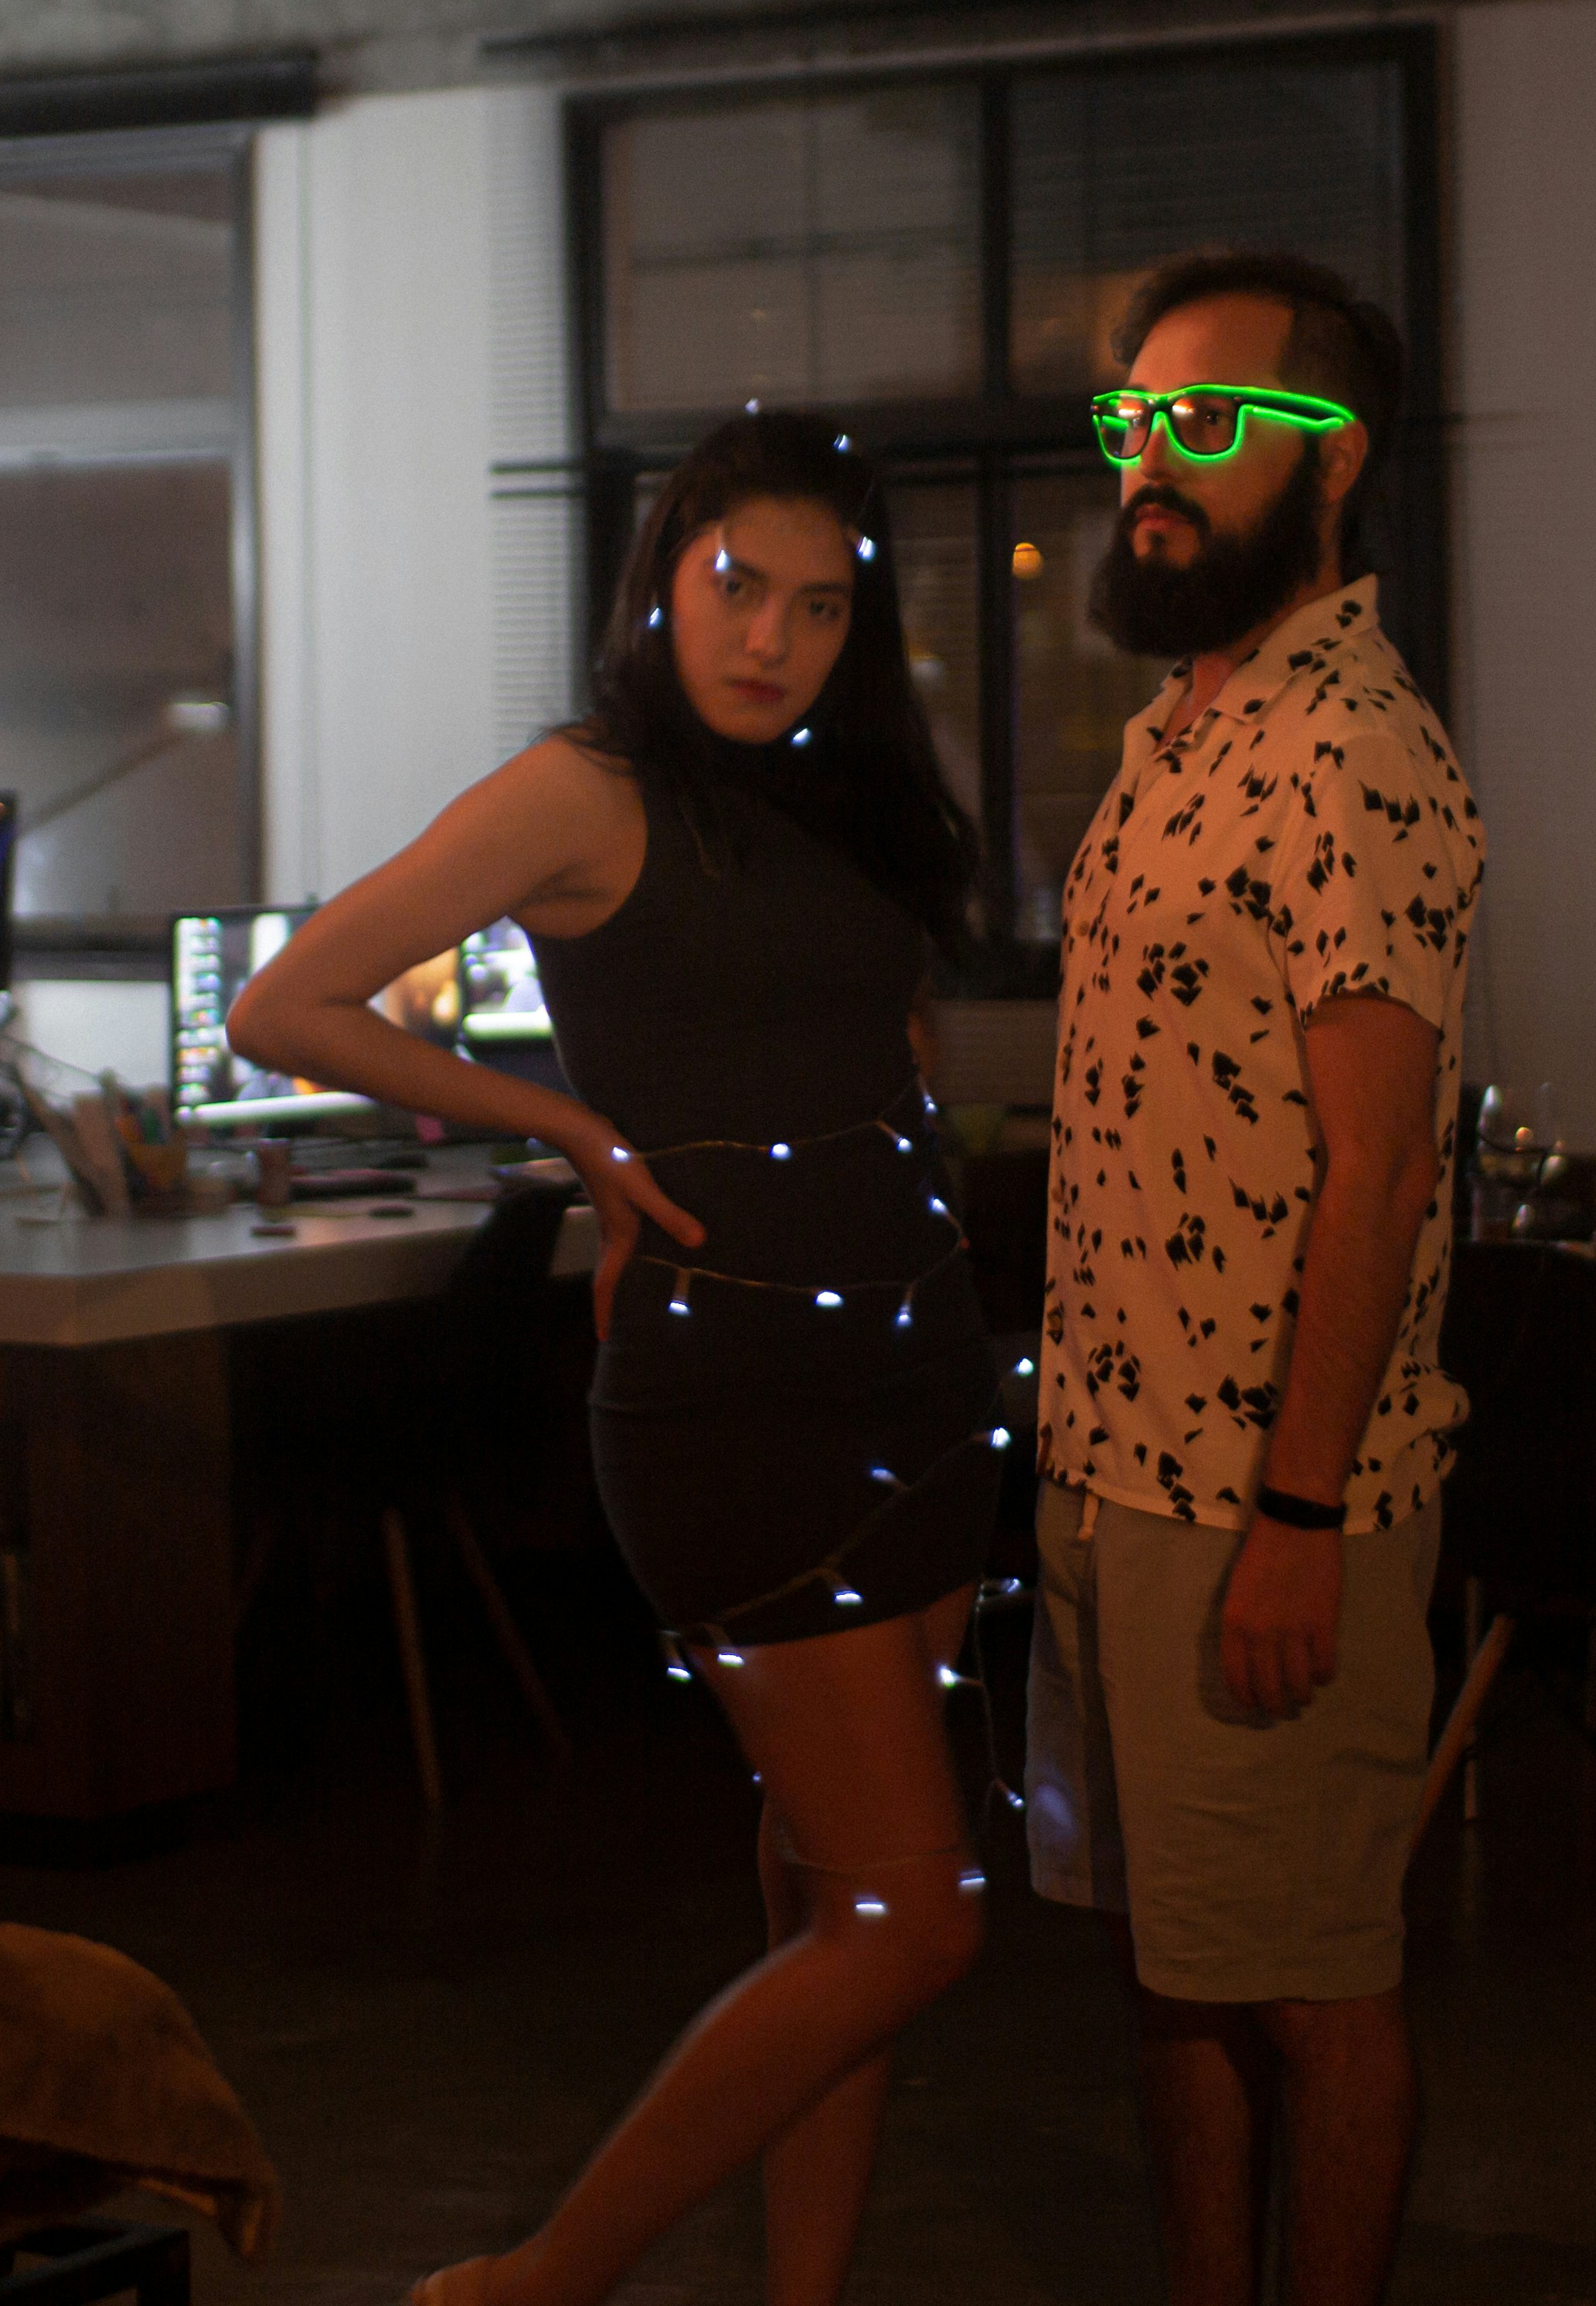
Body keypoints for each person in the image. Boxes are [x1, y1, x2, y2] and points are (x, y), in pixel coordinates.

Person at [224, 411, 1005, 2306]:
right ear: (665, 574)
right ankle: (531, 2284)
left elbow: (878, 1051)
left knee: (832, 1896)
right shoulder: (586, 788)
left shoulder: (841, 797)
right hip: (734, 1399)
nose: (773, 639)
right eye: (739, 586)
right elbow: (286, 1002)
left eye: (820, 607)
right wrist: (563, 1128)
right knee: (912, 1916)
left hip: (913, 1373)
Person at [1023, 249, 1484, 2306]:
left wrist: (1298, 1515)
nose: (1152, 462)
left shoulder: (1351, 751)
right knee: (1176, 1977)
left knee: (1307, 1984)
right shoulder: (1180, 737)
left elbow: (1380, 1164)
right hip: (1115, 1475)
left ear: (1334, 461)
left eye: (1206, 424)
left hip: (1260, 1503)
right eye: (1133, 422)